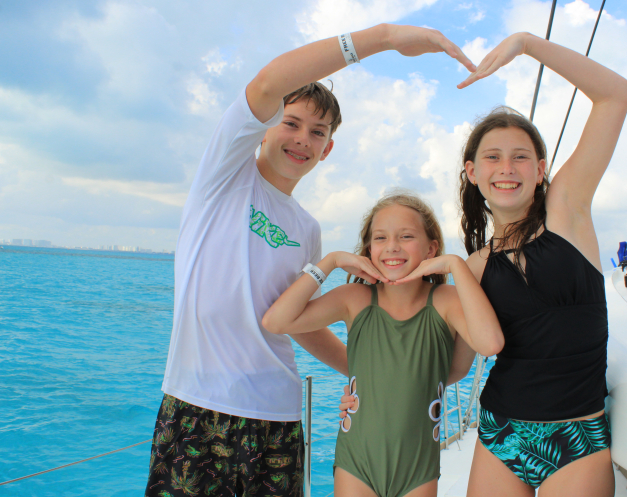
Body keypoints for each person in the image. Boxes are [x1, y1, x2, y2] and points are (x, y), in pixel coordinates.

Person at [144, 25, 476, 496]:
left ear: (327, 149)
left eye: (317, 132)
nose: (303, 138)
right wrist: (384, 38)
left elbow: (299, 322)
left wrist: (373, 381)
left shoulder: (307, 229)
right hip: (198, 405)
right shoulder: (224, 174)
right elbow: (267, 83)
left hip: (279, 415)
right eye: (291, 123)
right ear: (264, 128)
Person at [457, 33, 627, 497]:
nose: (506, 168)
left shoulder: (567, 212)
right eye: (492, 157)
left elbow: (615, 95)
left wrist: (528, 45)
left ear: (540, 169)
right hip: (499, 431)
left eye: (520, 157)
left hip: (576, 435)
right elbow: (453, 365)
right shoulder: (473, 266)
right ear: (473, 172)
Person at [262, 192, 504, 497]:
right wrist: (331, 261)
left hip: (418, 467)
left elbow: (488, 345)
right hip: (356, 462)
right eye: (380, 238)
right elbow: (276, 321)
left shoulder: (447, 301)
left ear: (431, 249)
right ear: (368, 250)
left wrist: (456, 265)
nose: (392, 246)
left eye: (406, 236)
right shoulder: (355, 299)